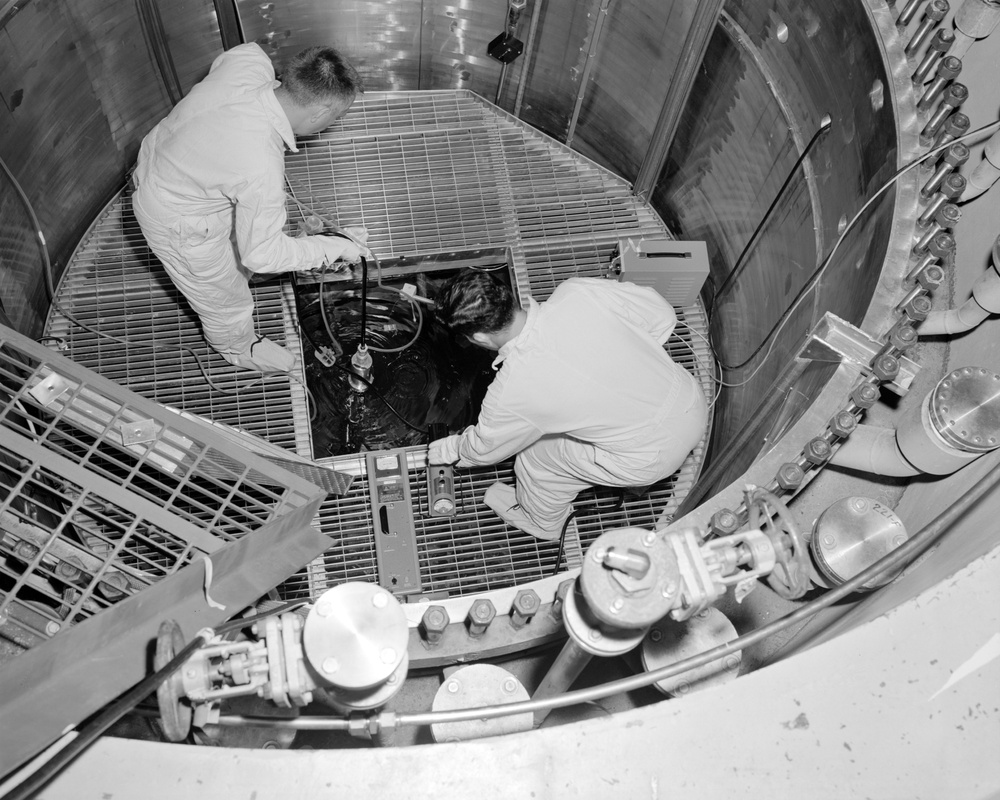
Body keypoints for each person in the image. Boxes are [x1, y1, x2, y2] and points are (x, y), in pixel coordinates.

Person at [132, 43, 366, 373]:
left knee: (244, 243)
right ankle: (236, 347)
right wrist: (335, 248)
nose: (331, 125)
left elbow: (232, 61)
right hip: (176, 218)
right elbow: (262, 254)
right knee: (225, 299)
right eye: (336, 118)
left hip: (167, 157)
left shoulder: (251, 61)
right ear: (319, 114)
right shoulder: (259, 164)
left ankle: (240, 278)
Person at [428, 272, 708, 541]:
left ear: (480, 339)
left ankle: (544, 523)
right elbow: (662, 314)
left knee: (535, 456)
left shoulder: (512, 389)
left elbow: (484, 449)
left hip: (650, 456)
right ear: (506, 295)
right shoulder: (576, 292)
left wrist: (448, 449)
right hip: (692, 401)